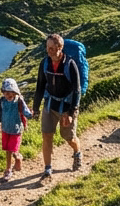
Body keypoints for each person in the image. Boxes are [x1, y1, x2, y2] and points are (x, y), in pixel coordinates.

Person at [32, 33, 83, 179]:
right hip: (50, 104)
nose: (49, 51)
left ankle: (77, 151)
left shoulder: (70, 65)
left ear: (60, 48)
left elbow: (76, 90)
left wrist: (72, 113)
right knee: (47, 136)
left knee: (68, 137)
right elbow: (40, 86)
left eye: (52, 48)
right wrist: (35, 108)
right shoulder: (45, 63)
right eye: (47, 47)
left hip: (67, 107)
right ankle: (48, 169)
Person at [0, 77, 32, 181]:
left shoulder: (19, 101)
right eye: (6, 93)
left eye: (10, 93)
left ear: (15, 92)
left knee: (13, 149)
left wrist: (30, 115)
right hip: (5, 129)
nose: (8, 95)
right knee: (7, 150)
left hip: (16, 130)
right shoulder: (2, 101)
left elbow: (25, 111)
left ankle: (18, 157)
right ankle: (8, 169)